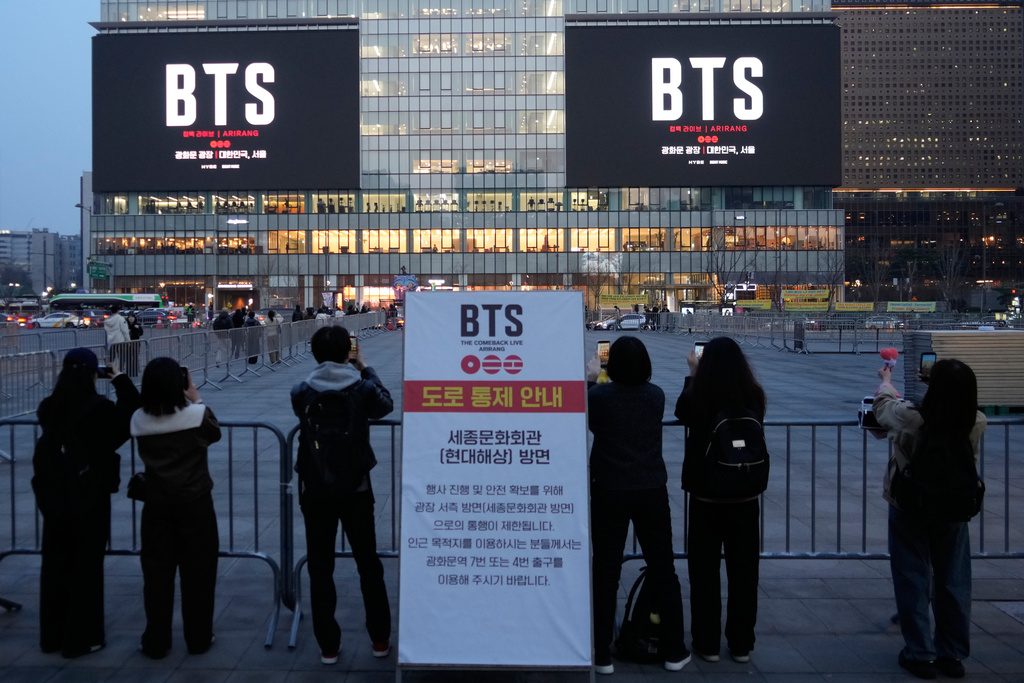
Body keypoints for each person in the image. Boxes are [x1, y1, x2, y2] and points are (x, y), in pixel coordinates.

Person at [873, 359, 986, 680]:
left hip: (911, 504)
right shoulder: (975, 421)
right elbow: (952, 405)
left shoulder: (911, 419)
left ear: (934, 390)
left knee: (912, 577)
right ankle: (952, 653)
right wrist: (941, 387)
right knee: (953, 579)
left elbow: (884, 406)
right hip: (954, 508)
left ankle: (919, 652)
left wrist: (886, 380)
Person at [586, 337, 690, 675]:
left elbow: (593, 417)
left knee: (605, 571)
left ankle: (601, 654)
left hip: (609, 489)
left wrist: (592, 378)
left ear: (610, 364)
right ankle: (674, 650)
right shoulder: (655, 395)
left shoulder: (599, 396)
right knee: (663, 568)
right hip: (650, 489)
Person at [291, 326, 393, 664]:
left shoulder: (301, 392)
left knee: (320, 568)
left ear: (315, 353)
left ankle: (328, 647)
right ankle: (379, 640)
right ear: (347, 351)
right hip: (356, 487)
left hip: (315, 489)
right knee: (368, 565)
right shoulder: (361, 389)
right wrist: (364, 366)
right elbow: (385, 405)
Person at [32, 349, 140, 658]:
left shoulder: (48, 408)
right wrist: (119, 378)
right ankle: (81, 638)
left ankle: (52, 635)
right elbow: (131, 415)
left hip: (54, 496)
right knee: (85, 566)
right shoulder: (99, 410)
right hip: (89, 494)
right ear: (94, 374)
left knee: (54, 563)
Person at [674, 337, 766, 664]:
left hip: (706, 496)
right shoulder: (754, 394)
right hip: (744, 495)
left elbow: (682, 412)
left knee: (704, 572)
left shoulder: (700, 394)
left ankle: (707, 642)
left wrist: (693, 374)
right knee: (744, 573)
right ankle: (741, 643)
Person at [131, 358, 221, 659]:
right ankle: (198, 637)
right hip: (194, 501)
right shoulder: (196, 416)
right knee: (199, 573)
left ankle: (156, 639)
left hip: (156, 505)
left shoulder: (138, 420)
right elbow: (214, 432)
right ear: (180, 384)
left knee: (157, 575)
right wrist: (197, 397)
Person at [124, 312, 144, 377]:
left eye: (132, 317)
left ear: (134, 318)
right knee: (128, 358)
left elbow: (141, 333)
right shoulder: (125, 325)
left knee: (135, 358)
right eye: (129, 317)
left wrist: (137, 328)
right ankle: (128, 372)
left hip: (136, 344)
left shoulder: (137, 325)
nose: (131, 319)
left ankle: (135, 372)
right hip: (127, 344)